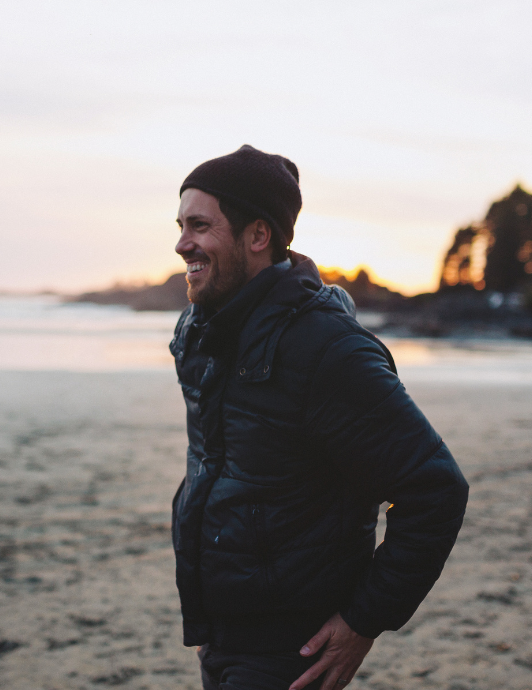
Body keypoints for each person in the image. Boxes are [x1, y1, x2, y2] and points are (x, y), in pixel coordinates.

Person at [169, 145, 469, 690]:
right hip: (222, 636)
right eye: (181, 225)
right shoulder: (206, 335)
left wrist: (363, 620)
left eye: (200, 225)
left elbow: (435, 489)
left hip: (290, 652)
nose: (181, 242)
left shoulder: (326, 349)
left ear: (257, 235)